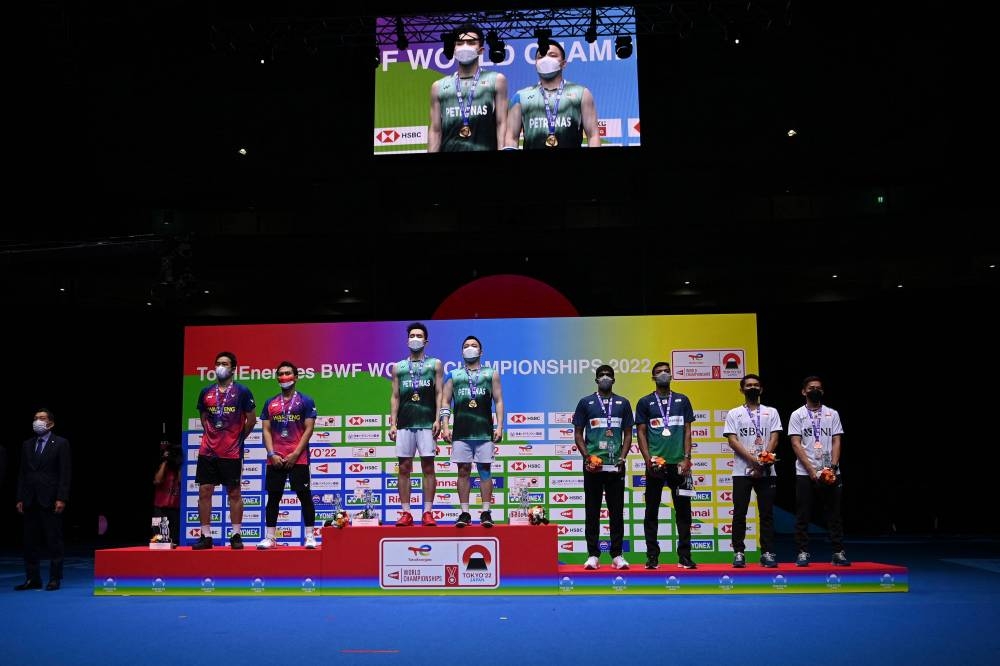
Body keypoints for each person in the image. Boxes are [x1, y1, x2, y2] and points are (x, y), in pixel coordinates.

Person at [635, 361, 697, 570]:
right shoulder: (645, 402)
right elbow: (641, 433)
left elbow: (687, 431)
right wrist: (648, 459)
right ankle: (652, 557)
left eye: (666, 371)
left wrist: (687, 457)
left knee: (683, 511)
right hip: (655, 465)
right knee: (651, 511)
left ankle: (685, 556)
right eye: (659, 372)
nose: (663, 374)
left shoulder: (682, 400)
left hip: (679, 465)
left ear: (671, 375)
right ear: (653, 378)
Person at [193, 351, 256, 550]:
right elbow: (204, 418)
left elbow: (251, 420)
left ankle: (236, 534)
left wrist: (236, 439)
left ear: (233, 368)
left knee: (234, 493)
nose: (221, 366)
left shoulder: (243, 391)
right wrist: (212, 436)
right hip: (208, 451)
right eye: (218, 363)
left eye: (225, 363)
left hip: (231, 452)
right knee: (204, 491)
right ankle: (206, 536)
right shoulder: (206, 392)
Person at [440, 335, 504, 527]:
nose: (470, 348)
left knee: (485, 470)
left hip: (484, 431)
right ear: (461, 351)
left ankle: (485, 512)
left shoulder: (491, 374)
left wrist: (499, 426)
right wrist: (445, 425)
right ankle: (465, 513)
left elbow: (498, 401)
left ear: (481, 351)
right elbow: (445, 402)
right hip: (461, 431)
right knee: (463, 471)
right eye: (466, 346)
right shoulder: (454, 375)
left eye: (474, 346)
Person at [574, 365, 633, 570]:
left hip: (616, 466)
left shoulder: (623, 403)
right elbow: (578, 434)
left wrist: (623, 457)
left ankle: (617, 555)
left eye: (608, 375)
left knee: (616, 512)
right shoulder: (585, 403)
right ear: (596, 380)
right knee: (592, 511)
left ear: (614, 380)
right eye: (602, 376)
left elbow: (628, 434)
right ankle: (593, 555)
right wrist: (587, 457)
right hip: (593, 467)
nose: (605, 378)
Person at [789, 376, 850, 566]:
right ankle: (802, 552)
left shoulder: (832, 414)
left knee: (834, 514)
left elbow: (836, 440)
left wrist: (832, 467)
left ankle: (838, 552)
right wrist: (811, 469)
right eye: (811, 388)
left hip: (830, 472)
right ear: (803, 392)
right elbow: (795, 443)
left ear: (822, 392)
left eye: (818, 388)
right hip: (805, 473)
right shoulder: (797, 415)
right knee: (803, 514)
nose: (815, 390)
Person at [723, 374, 782, 568]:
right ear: (742, 390)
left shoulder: (771, 412)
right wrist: (753, 460)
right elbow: (732, 441)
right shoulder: (734, 413)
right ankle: (739, 552)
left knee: (766, 514)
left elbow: (774, 437)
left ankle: (767, 552)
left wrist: (763, 459)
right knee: (739, 513)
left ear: (761, 389)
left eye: (756, 385)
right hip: (742, 471)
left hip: (767, 471)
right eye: (748, 385)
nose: (752, 388)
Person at [258, 361, 318, 549]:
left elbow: (309, 428)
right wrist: (271, 453)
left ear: (296, 377)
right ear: (277, 378)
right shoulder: (270, 402)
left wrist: (296, 453)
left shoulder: (306, 401)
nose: (284, 377)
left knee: (304, 496)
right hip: (275, 458)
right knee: (273, 497)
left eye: (288, 373)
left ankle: (309, 536)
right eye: (281, 374)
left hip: (297, 457)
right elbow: (266, 430)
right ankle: (270, 538)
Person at [388, 323, 444, 527]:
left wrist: (438, 419)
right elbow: (395, 396)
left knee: (428, 467)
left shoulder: (435, 364)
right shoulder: (398, 367)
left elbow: (439, 393)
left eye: (419, 335)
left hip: (427, 422)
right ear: (407, 340)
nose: (415, 338)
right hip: (404, 423)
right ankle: (406, 512)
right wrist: (392, 423)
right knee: (404, 467)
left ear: (426, 341)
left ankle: (427, 512)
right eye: (412, 335)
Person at [504, 38, 600, 149]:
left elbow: (593, 135)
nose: (546, 59)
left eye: (552, 55)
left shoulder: (582, 93)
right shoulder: (520, 97)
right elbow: (511, 138)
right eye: (541, 57)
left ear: (563, 63)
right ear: (536, 64)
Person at [428, 23, 508, 152]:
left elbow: (502, 123)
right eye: (460, 43)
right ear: (454, 49)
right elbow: (435, 130)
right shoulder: (438, 86)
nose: (465, 46)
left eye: (471, 42)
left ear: (481, 50)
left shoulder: (496, 80)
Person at [15, 408, 71, 591]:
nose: (37, 421)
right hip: (30, 498)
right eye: (35, 418)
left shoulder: (61, 443)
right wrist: (20, 497)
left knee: (53, 541)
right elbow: (23, 473)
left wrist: (61, 497)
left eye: (42, 418)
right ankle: (33, 578)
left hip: (50, 498)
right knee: (29, 542)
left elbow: (65, 473)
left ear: (51, 423)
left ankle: (55, 578)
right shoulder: (27, 444)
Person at [152, 437, 182, 546]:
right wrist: (165, 461)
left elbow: (180, 481)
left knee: (173, 539)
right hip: (159, 506)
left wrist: (179, 465)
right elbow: (157, 480)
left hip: (174, 507)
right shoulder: (162, 466)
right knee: (158, 538)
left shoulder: (179, 469)